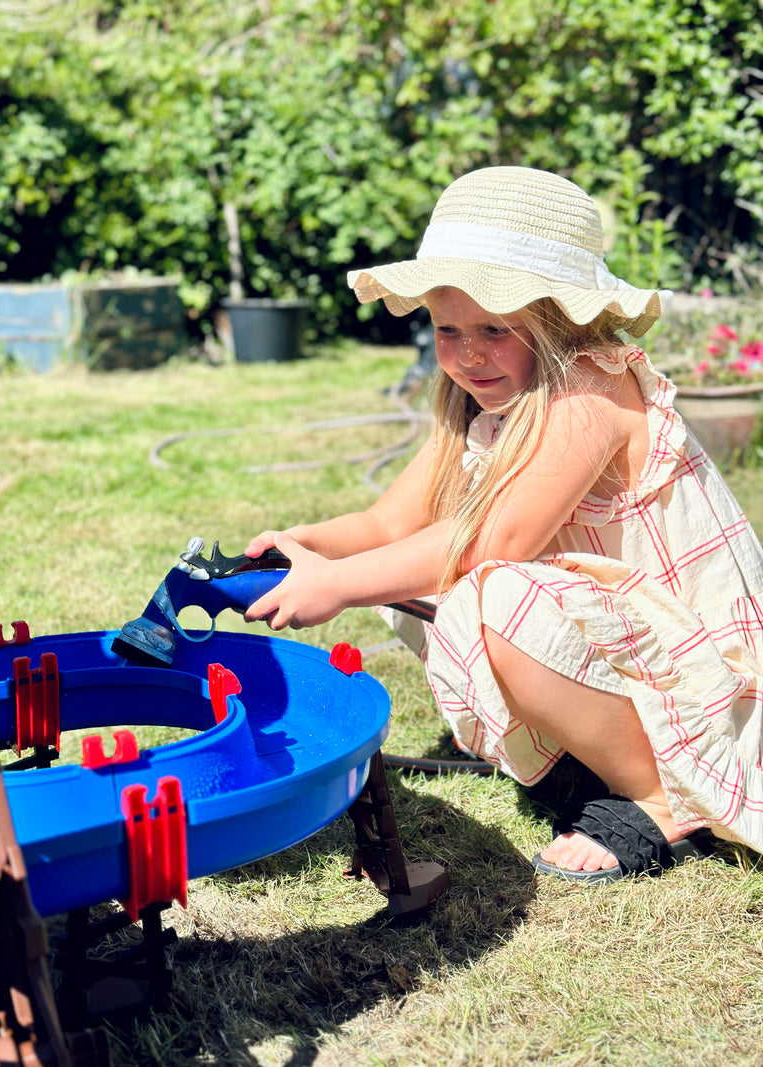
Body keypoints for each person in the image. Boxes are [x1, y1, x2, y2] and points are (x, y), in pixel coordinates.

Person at [244, 166, 763, 881]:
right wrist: (300, 548)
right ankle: (594, 759)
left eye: (496, 327)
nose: (470, 352)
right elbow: (388, 519)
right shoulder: (478, 407)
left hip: (703, 667)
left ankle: (661, 797)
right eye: (448, 329)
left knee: (491, 593)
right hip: (634, 643)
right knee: (419, 587)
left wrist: (337, 584)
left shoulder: (595, 386)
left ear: (563, 319)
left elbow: (499, 541)